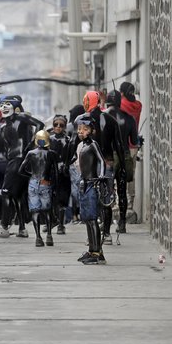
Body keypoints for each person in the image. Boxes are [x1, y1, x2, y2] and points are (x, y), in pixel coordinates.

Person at [0, 95, 44, 238]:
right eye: (2, 105)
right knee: (18, 196)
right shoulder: (3, 127)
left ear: (15, 106)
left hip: (18, 161)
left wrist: (31, 145)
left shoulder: (21, 118)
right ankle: (22, 228)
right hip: (14, 161)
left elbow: (40, 124)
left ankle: (4, 226)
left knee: (6, 193)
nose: (4, 107)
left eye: (7, 104)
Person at [79, 90, 126, 245]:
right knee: (106, 198)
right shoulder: (111, 120)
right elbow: (119, 145)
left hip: (91, 165)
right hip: (107, 162)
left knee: (91, 198)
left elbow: (75, 142)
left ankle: (94, 234)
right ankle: (106, 234)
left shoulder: (84, 121)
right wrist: (123, 166)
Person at [73, 113, 107, 265]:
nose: (81, 132)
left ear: (91, 130)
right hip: (84, 183)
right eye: (79, 129)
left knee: (92, 219)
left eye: (85, 129)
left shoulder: (93, 144)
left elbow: (102, 161)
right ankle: (92, 249)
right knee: (86, 218)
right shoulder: (83, 146)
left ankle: (97, 252)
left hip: (92, 183)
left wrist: (100, 176)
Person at [104, 90, 138, 233]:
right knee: (122, 191)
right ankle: (122, 223)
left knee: (105, 190)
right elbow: (134, 141)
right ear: (119, 101)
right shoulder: (129, 119)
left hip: (107, 158)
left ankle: (106, 222)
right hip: (123, 155)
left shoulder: (102, 117)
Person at [19, 130, 58, 247]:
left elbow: (21, 170)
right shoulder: (52, 154)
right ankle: (49, 236)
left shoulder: (31, 153)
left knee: (35, 211)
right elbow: (56, 173)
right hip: (45, 183)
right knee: (47, 210)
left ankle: (38, 237)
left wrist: (30, 175)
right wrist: (55, 187)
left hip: (33, 182)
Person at [49, 114, 72, 234]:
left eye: (61, 125)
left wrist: (67, 165)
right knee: (52, 197)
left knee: (63, 198)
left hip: (64, 172)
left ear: (64, 126)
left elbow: (73, 156)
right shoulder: (49, 139)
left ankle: (61, 224)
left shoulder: (68, 140)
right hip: (52, 172)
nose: (58, 127)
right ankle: (54, 220)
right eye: (55, 125)